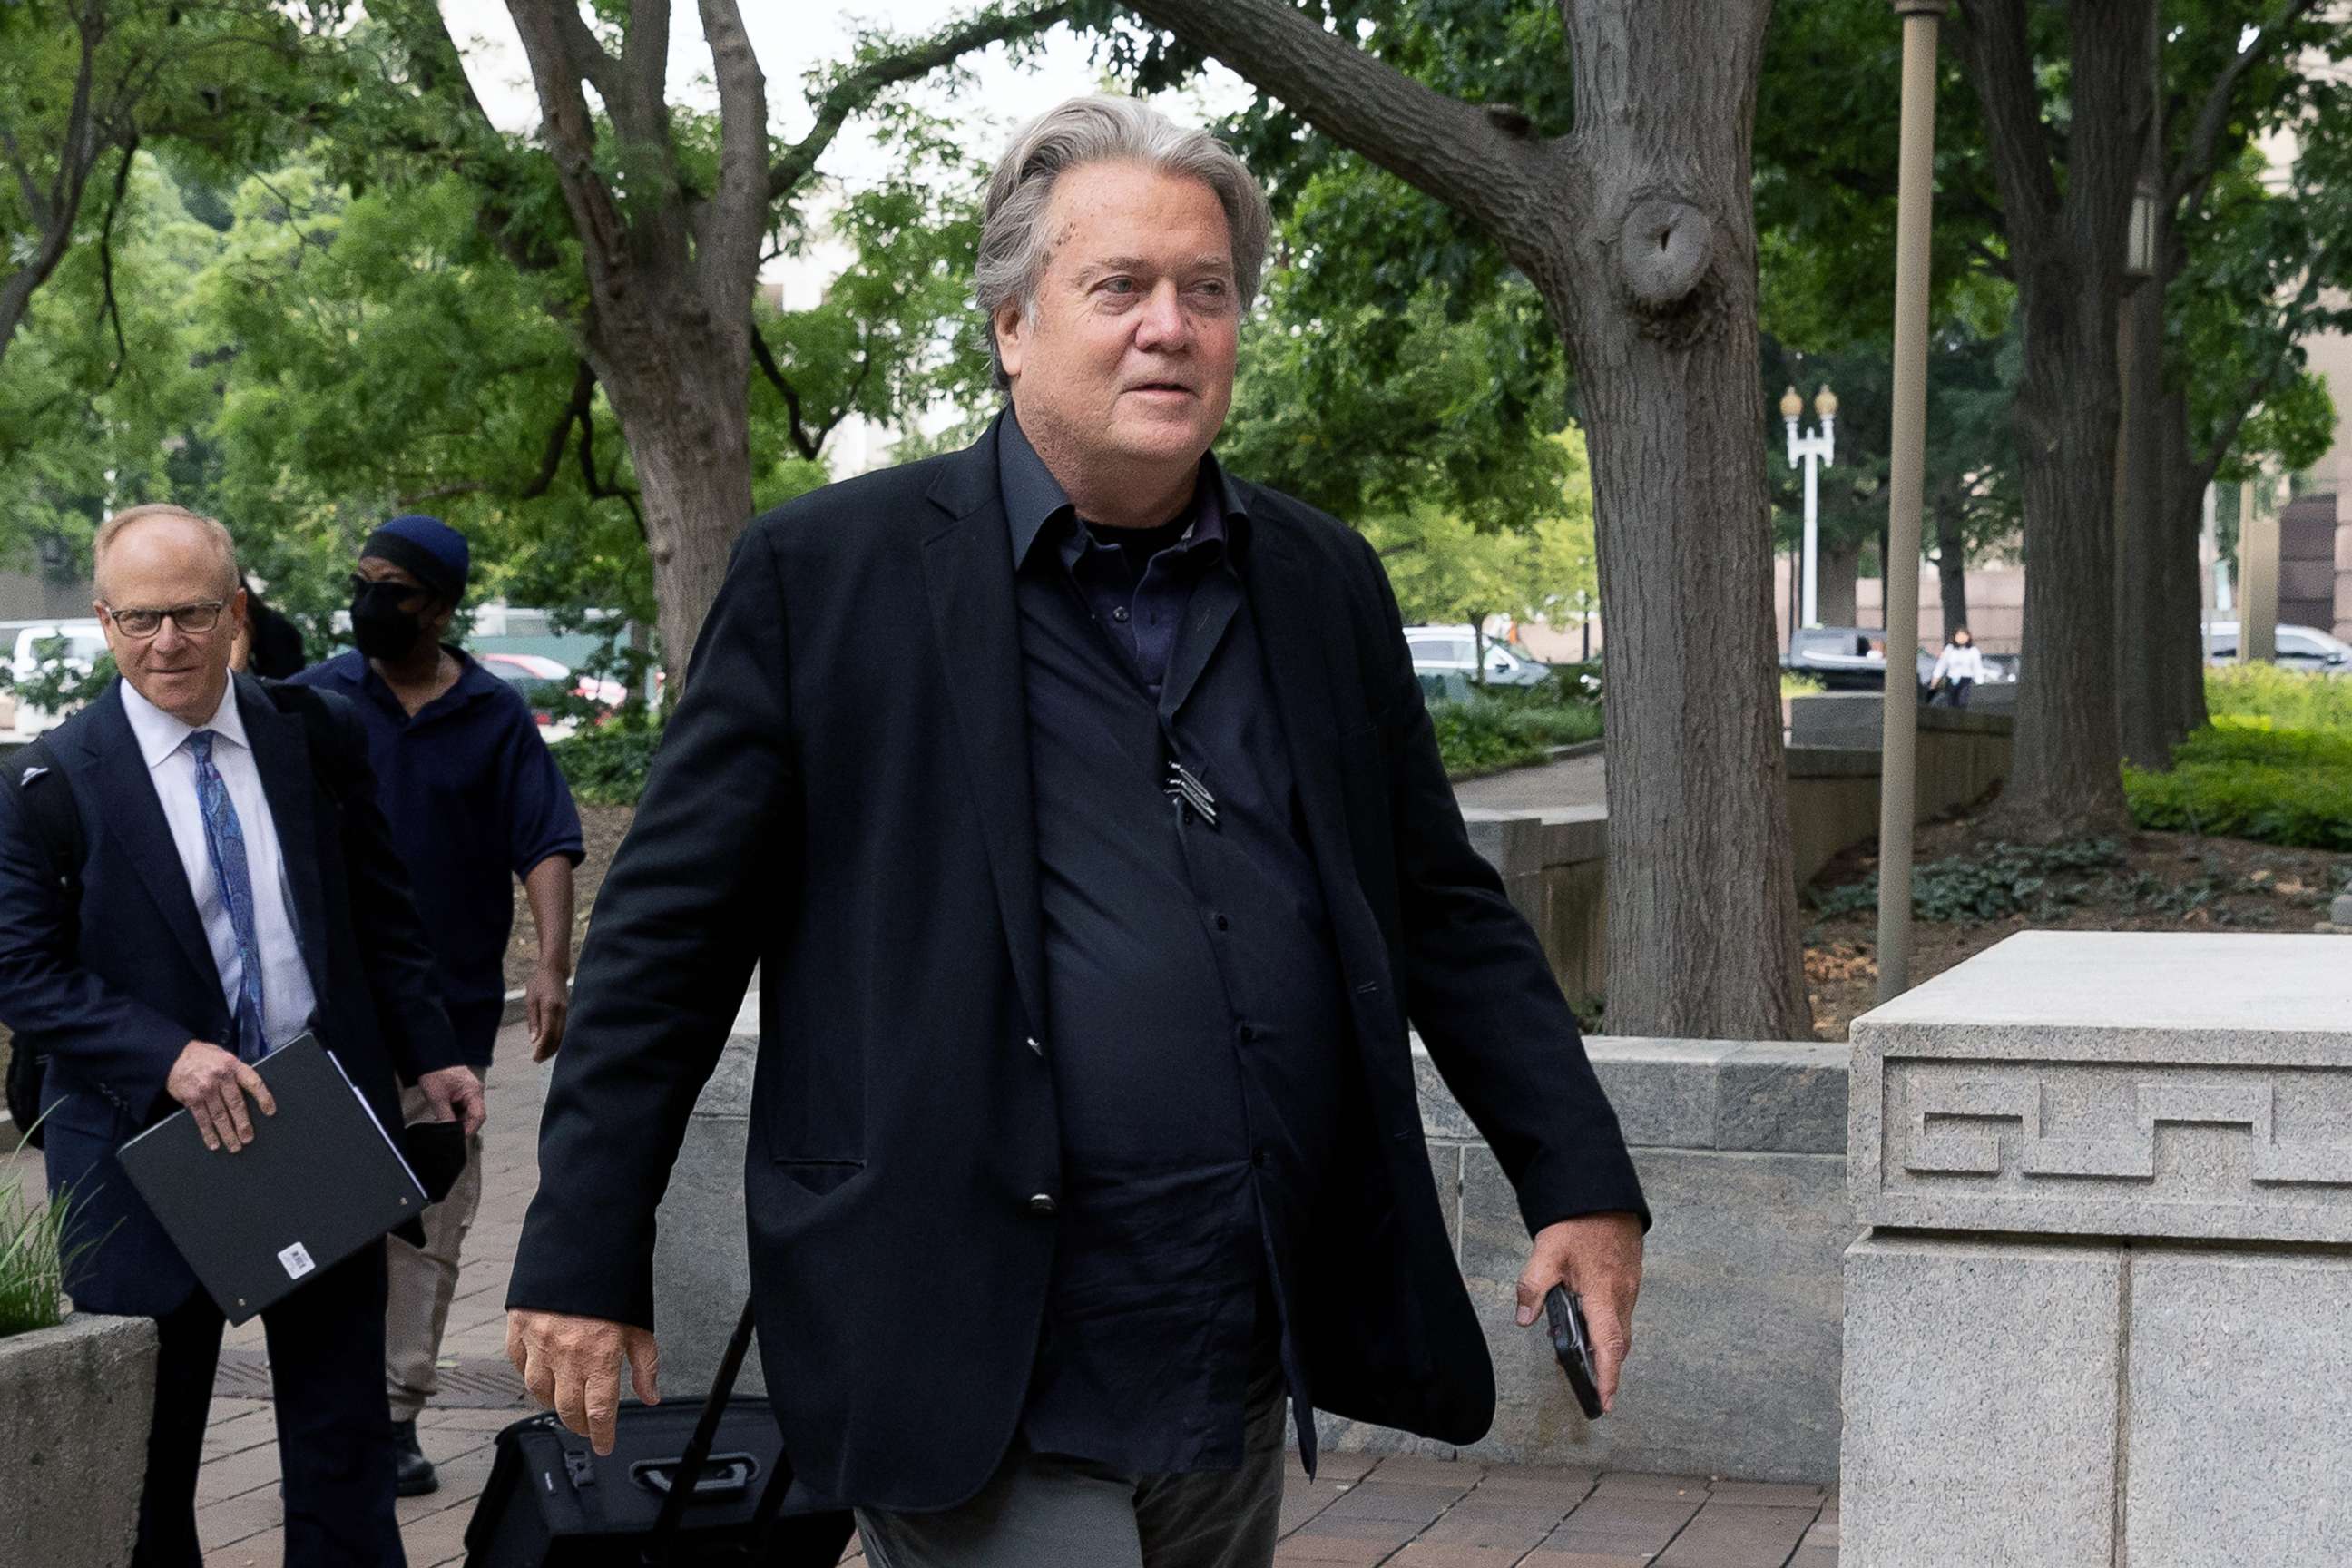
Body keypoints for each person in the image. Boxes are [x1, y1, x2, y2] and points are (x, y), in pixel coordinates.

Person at [505, 95, 1646, 1568]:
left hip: (1233, 1329)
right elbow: (663, 945)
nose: (1169, 325)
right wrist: (585, 1246)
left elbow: (1438, 904)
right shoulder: (827, 579)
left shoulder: (1317, 583)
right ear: (1010, 325)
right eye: (1119, 287)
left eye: (1206, 290)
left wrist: (1579, 1175)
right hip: (965, 1322)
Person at [0, 503, 485, 1568]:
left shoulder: (311, 732)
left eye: (186, 616)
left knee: (343, 1436)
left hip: (312, 1124)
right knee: (150, 1457)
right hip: (142, 1152)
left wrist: (433, 1049)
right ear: (102, 620)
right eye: (135, 620)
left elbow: (379, 909)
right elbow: (20, 972)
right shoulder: (48, 781)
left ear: (235, 614)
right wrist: (163, 1054)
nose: (162, 643)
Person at [290, 513, 583, 1495]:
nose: (369, 601)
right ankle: (329, 1409)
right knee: (327, 1221)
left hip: (447, 1025)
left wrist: (550, 964)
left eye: (394, 588)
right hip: (327, 1023)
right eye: (362, 580)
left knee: (428, 1223)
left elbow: (544, 840)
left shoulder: (492, 714)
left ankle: (396, 1412)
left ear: (442, 608)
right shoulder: (312, 701)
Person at [1928, 625, 1985, 707]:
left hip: (1966, 680)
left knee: (1962, 701)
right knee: (1951, 702)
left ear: (1968, 637)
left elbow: (1977, 668)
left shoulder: (1973, 651)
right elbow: (1941, 666)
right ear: (1954, 637)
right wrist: (1935, 680)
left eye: (1964, 635)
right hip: (1952, 679)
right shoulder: (1949, 649)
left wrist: (1980, 683)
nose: (1961, 638)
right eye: (1959, 635)